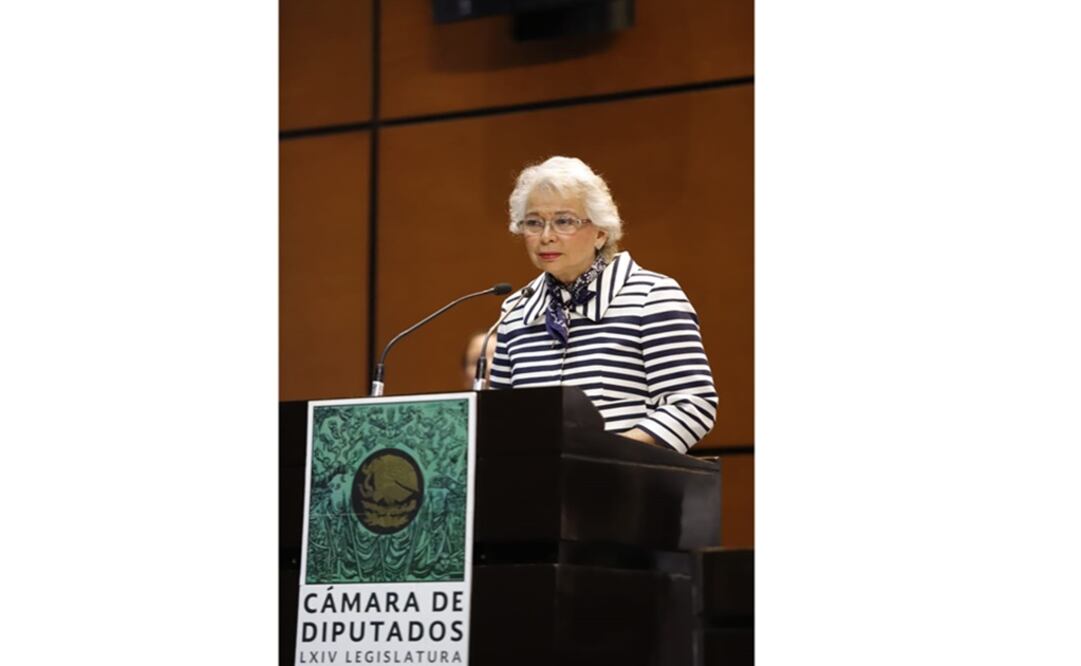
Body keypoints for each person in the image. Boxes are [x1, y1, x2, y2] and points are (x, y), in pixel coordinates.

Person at [489, 156, 717, 453]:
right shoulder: (516, 311)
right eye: (533, 223)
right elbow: (500, 419)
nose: (546, 236)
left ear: (600, 232)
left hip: (625, 478)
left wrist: (608, 455)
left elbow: (692, 404)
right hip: (536, 480)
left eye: (564, 221)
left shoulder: (652, 296)